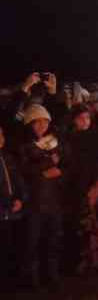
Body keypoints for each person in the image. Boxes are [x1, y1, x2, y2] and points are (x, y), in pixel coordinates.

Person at [19, 103, 68, 288]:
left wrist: (60, 171)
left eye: (44, 121)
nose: (41, 125)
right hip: (35, 200)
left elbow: (67, 164)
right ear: (29, 124)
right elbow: (23, 170)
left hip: (54, 199)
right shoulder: (24, 145)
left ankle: (52, 275)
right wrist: (45, 167)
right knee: (32, 240)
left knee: (53, 238)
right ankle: (32, 278)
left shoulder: (55, 141)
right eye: (36, 122)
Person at [0, 126, 28, 280]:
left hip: (11, 211)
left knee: (10, 245)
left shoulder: (8, 158)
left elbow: (19, 182)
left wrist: (20, 199)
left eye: (1, 135)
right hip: (2, 209)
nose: (0, 139)